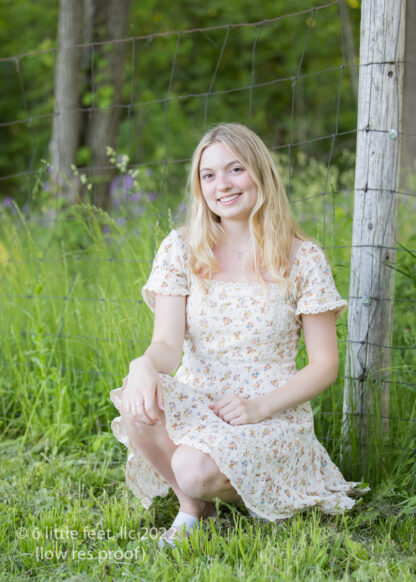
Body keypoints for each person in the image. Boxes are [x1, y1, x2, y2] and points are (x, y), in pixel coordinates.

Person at [109, 123, 369, 548]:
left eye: (235, 169)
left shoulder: (302, 258)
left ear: (259, 173)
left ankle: (221, 485)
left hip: (269, 410)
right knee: (135, 402)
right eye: (208, 175)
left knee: (192, 467)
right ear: (199, 186)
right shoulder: (181, 249)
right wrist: (143, 366)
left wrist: (258, 406)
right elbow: (167, 346)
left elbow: (324, 366)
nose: (223, 185)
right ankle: (193, 509)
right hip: (199, 400)